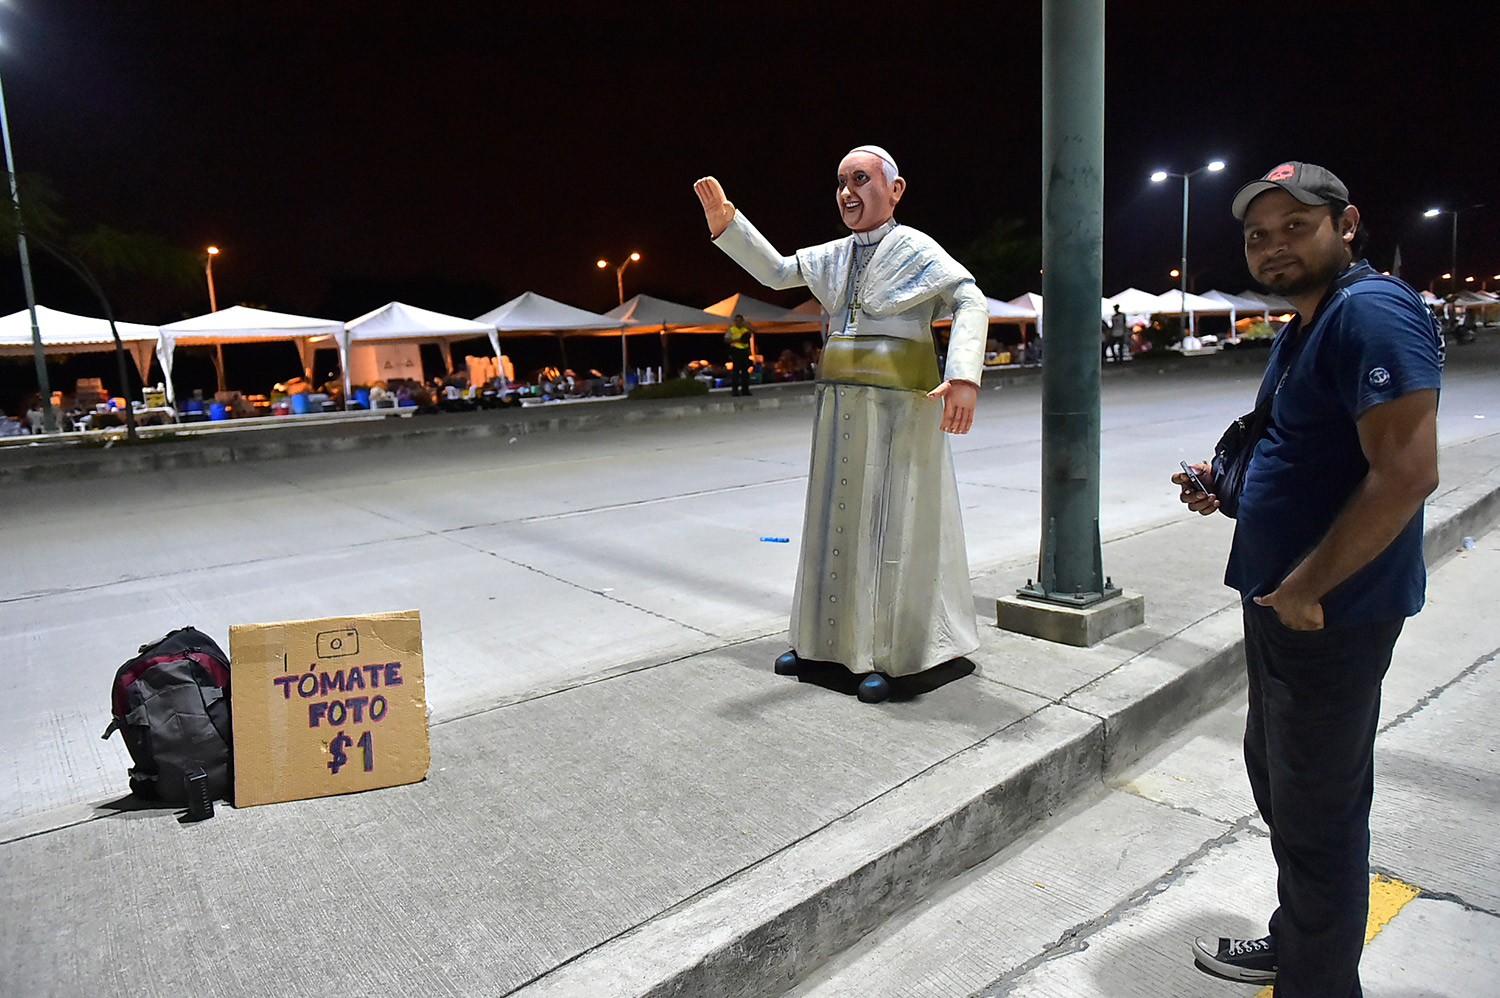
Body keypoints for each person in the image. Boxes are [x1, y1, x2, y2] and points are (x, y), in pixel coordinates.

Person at [1173, 162, 1442, 997]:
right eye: (1259, 234)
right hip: (1290, 605)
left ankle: (1319, 982)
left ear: (1347, 224)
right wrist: (1233, 488)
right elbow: (1309, 450)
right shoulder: (1308, 322)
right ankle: (1303, 942)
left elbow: (1405, 473)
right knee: (1284, 783)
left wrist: (1303, 589)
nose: (1274, 245)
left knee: (1318, 810)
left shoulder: (1372, 311)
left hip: (1329, 611)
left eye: (1297, 225)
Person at [694, 146, 987, 704]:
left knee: (889, 528)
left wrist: (965, 375)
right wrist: (729, 227)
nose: (848, 191)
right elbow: (779, 272)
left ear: (895, 190)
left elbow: (968, 297)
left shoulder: (916, 248)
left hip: (899, 407)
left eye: (861, 179)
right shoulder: (835, 254)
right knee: (834, 523)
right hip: (838, 405)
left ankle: (892, 654)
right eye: (840, 182)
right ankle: (822, 646)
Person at [724, 313, 756, 395]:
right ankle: (735, 391)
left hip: (744, 351)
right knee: (736, 371)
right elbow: (726, 340)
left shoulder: (746, 328)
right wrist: (737, 340)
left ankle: (745, 390)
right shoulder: (731, 329)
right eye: (736, 321)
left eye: (740, 321)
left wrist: (747, 325)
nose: (738, 322)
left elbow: (755, 331)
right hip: (735, 350)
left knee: (745, 371)